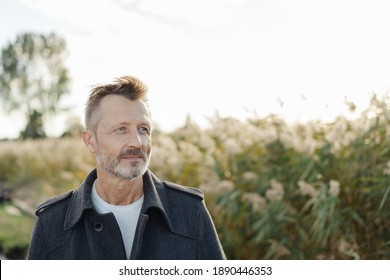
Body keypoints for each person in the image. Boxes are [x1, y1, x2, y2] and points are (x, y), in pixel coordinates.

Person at [27, 76, 226, 260]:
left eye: (143, 129)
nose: (137, 142)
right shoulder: (51, 223)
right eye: (121, 129)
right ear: (90, 141)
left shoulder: (190, 211)